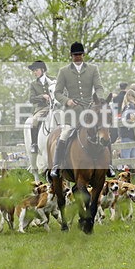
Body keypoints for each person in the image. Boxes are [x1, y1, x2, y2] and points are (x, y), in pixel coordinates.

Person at [51, 42, 112, 178]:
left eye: (79, 54)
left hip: (90, 111)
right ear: (71, 56)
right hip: (72, 112)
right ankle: (56, 165)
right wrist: (67, 101)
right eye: (75, 55)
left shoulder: (93, 69)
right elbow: (57, 92)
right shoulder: (64, 71)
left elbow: (99, 87)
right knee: (65, 134)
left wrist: (98, 100)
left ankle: (109, 166)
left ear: (83, 55)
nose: (77, 57)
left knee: (105, 133)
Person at [27, 60, 55, 154]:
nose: (35, 73)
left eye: (36, 70)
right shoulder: (33, 84)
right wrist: (42, 96)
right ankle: (34, 144)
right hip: (41, 108)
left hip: (55, 107)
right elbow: (31, 99)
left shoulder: (53, 80)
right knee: (34, 120)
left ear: (42, 70)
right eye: (33, 71)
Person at [118, 89, 135, 159]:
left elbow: (129, 118)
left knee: (125, 158)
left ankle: (128, 170)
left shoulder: (128, 106)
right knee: (133, 157)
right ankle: (134, 170)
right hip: (133, 134)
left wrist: (120, 119)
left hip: (126, 133)